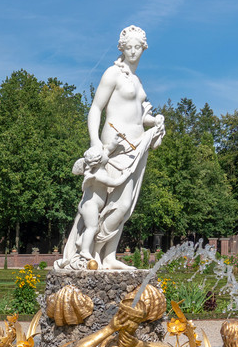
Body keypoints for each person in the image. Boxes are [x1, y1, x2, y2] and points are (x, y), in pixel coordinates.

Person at [56, 26, 165, 271]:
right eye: (129, 47)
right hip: (114, 147)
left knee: (125, 205)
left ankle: (109, 256)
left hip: (137, 148)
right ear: (122, 48)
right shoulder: (112, 73)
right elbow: (96, 108)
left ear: (143, 49)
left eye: (138, 47)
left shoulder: (137, 81)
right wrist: (95, 141)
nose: (134, 51)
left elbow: (139, 116)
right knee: (103, 201)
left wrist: (154, 121)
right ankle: (90, 251)